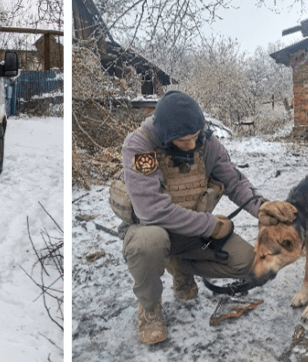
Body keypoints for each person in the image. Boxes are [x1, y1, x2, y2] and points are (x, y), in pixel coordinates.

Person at [113, 90, 266, 344]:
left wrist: (264, 210)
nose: (192, 145)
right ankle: (150, 309)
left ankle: (180, 265)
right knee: (149, 242)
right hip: (148, 230)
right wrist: (210, 225)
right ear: (165, 136)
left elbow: (234, 182)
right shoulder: (139, 145)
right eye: (184, 140)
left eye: (195, 137)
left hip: (191, 232)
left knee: (247, 261)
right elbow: (151, 211)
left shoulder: (206, 141)